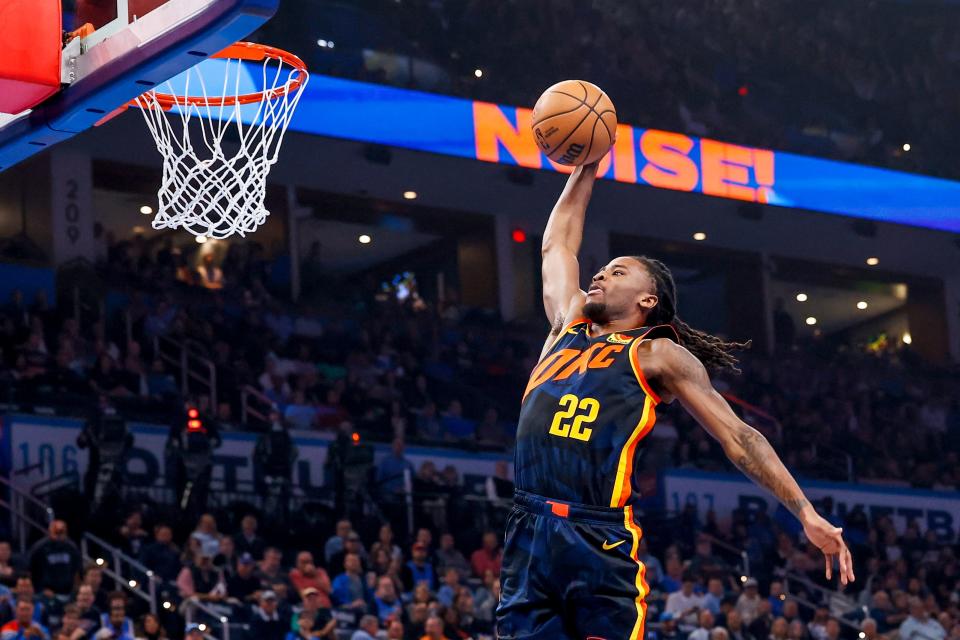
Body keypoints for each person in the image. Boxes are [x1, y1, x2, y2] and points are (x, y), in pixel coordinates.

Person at [496, 161, 854, 640]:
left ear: (647, 301)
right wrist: (587, 166)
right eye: (601, 270)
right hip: (528, 527)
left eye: (616, 272)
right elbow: (557, 243)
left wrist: (805, 512)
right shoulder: (567, 324)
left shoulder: (657, 354)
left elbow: (739, 437)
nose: (599, 275)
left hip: (595, 536)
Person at [27, 521, 81, 596]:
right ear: (50, 531)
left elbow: (77, 570)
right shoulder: (39, 548)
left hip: (68, 591)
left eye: (61, 533)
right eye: (56, 533)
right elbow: (31, 570)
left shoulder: (71, 547)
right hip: (45, 592)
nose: (59, 536)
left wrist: (75, 590)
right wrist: (40, 589)